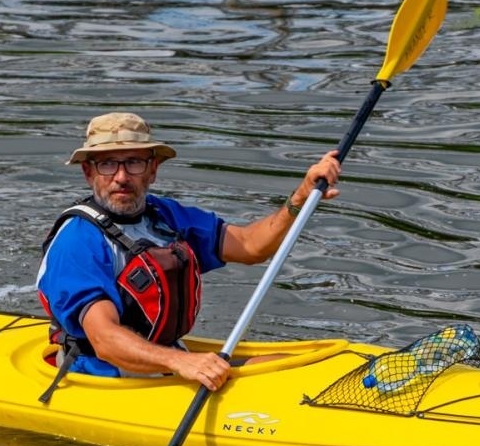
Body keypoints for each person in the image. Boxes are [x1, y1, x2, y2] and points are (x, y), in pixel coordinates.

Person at [36, 111, 340, 398]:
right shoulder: (77, 241)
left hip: (166, 364)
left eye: (134, 163)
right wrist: (182, 363)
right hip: (102, 381)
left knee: (291, 367)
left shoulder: (166, 216)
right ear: (89, 172)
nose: (121, 176)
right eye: (107, 164)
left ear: (153, 169)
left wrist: (301, 196)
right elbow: (105, 340)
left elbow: (250, 246)